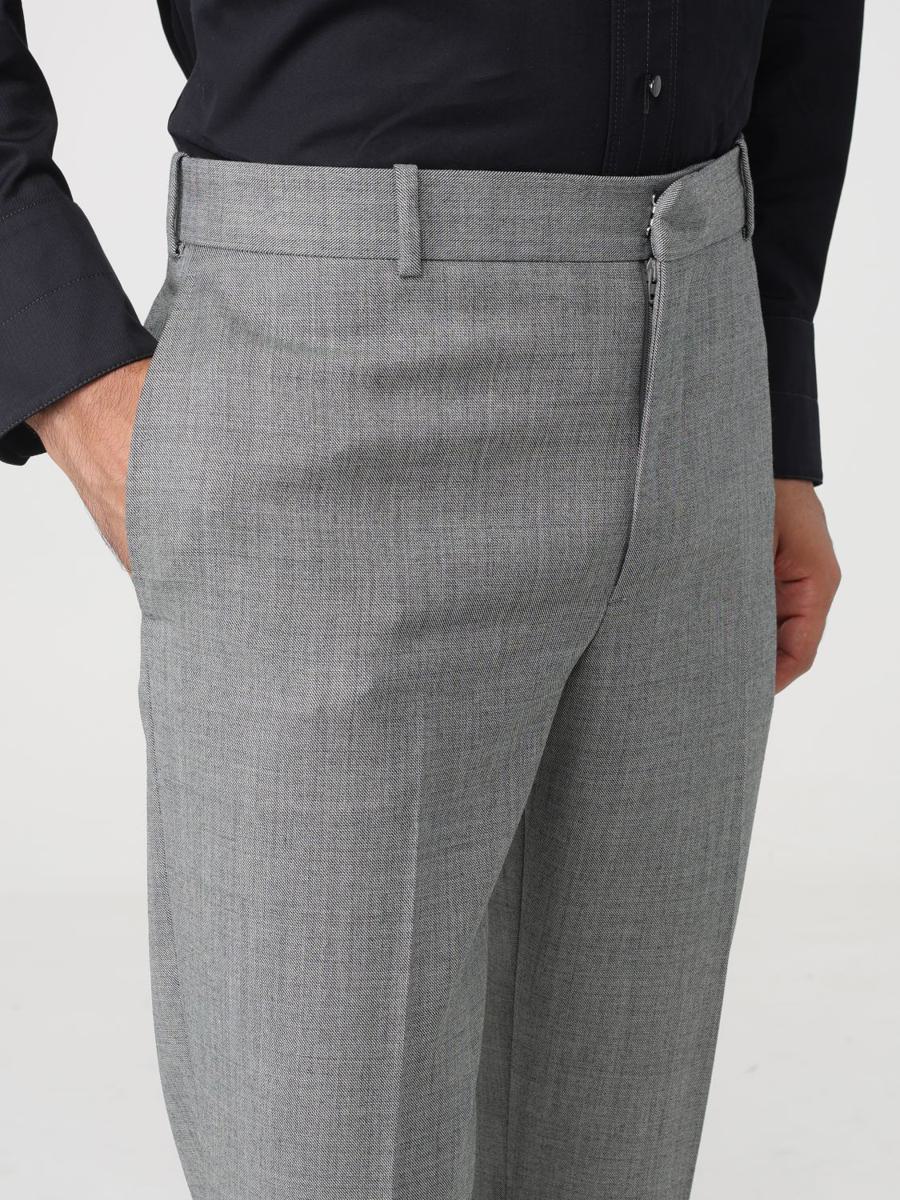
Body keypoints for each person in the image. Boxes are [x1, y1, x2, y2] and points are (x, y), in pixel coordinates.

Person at [0, 3, 864, 1198]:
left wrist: (775, 407)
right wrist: (68, 373)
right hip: (332, 361)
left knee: (619, 1155)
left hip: (703, 349)